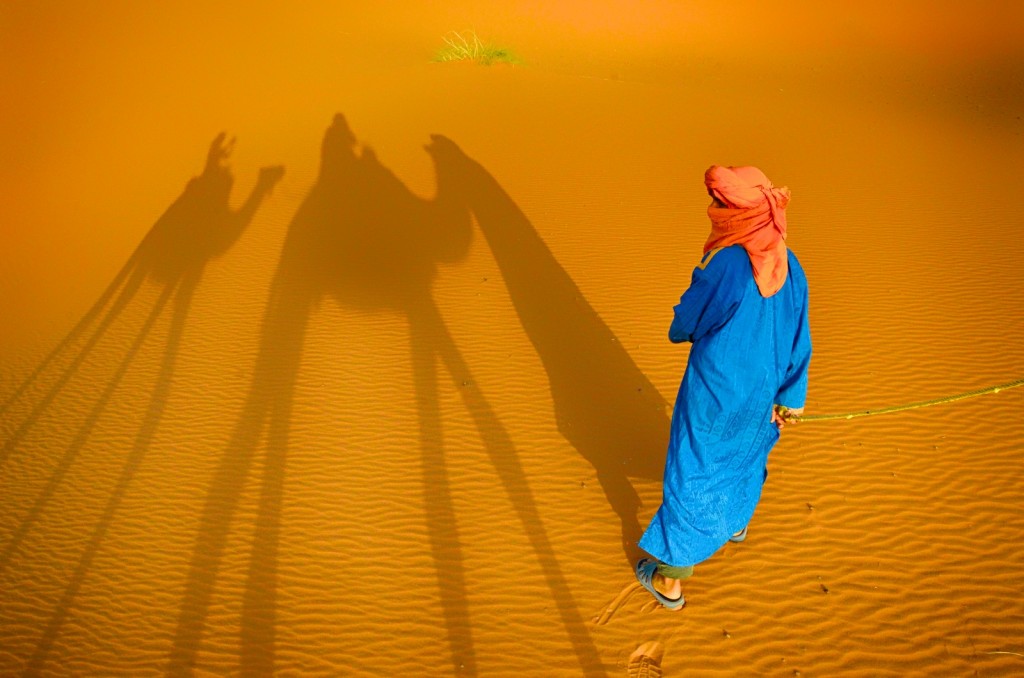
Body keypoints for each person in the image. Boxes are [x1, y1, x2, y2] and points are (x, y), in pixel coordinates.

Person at [634, 165, 812, 610]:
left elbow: (686, 324)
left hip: (716, 395)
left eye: (722, 204)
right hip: (764, 395)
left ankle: (671, 579)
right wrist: (790, 399)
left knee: (696, 469)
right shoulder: (791, 263)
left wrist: (683, 321)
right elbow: (800, 337)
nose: (715, 211)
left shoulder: (728, 265)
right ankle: (733, 523)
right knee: (746, 456)